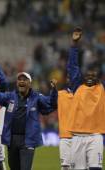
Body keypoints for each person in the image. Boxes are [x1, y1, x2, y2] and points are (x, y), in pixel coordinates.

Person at [0, 72, 57, 170]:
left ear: (30, 83)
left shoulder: (36, 97)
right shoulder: (10, 96)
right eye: (19, 79)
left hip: (28, 140)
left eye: (24, 79)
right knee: (14, 167)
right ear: (17, 83)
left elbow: (52, 103)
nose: (22, 81)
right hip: (12, 140)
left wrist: (53, 90)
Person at [67, 27, 105, 170]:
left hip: (95, 136)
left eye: (93, 75)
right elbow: (72, 66)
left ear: (98, 76)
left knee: (95, 168)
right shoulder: (78, 87)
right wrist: (74, 45)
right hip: (77, 136)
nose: (90, 77)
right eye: (88, 75)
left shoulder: (102, 89)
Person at [57, 76, 73, 170]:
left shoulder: (83, 94)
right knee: (65, 167)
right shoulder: (60, 94)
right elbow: (48, 102)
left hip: (80, 137)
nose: (69, 79)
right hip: (65, 137)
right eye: (68, 77)